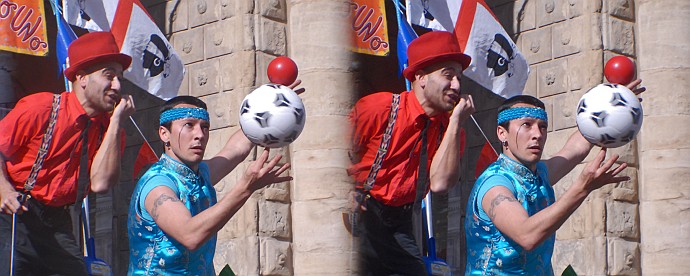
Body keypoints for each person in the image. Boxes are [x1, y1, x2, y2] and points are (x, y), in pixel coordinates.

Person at [464, 83, 643, 275]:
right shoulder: (495, 184)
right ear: (502, 133)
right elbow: (527, 235)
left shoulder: (539, 174)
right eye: (527, 125)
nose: (537, 134)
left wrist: (611, 107)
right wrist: (582, 188)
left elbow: (575, 149)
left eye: (542, 127)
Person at [0, 32, 135, 275]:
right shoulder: (41, 107)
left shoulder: (110, 129)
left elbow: (102, 183)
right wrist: (4, 190)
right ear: (82, 78)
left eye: (120, 78)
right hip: (15, 216)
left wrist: (116, 123)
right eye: (109, 76)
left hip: (58, 223)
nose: (117, 85)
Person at [349, 31, 476, 275]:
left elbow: (440, 184)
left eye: (459, 78)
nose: (457, 86)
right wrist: (341, 190)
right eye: (448, 76)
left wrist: (456, 121)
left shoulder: (452, 129)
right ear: (421, 77)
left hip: (400, 222)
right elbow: (332, 151)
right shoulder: (379, 108)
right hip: (362, 214)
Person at [127, 95, 293, 275]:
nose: (199, 134)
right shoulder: (157, 184)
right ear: (164, 133)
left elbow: (235, 151)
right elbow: (190, 235)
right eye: (189, 125)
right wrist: (245, 188)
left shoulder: (199, 175)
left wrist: (269, 104)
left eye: (204, 127)